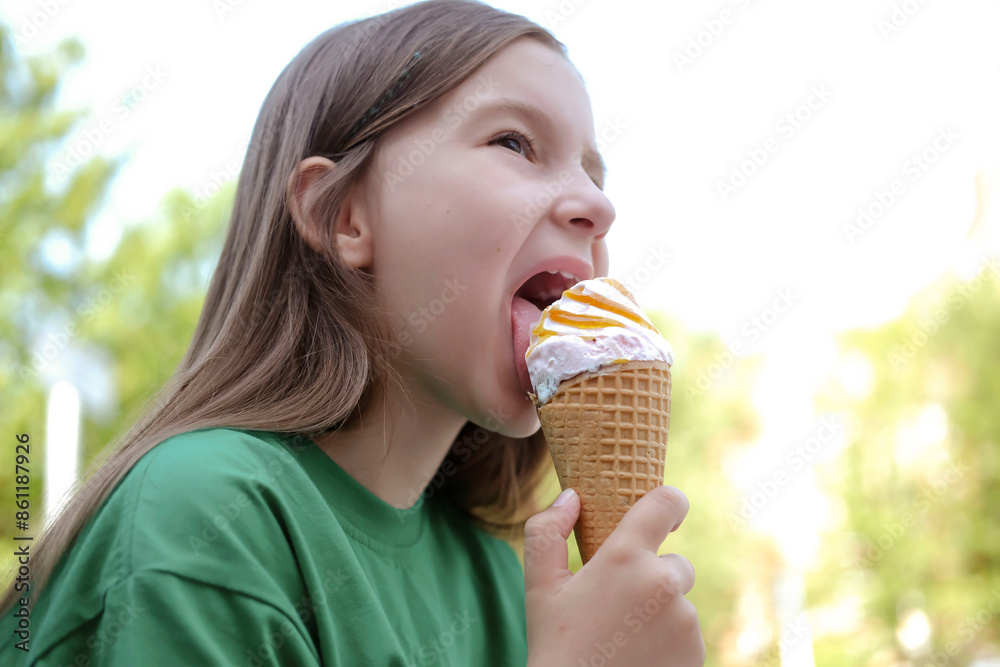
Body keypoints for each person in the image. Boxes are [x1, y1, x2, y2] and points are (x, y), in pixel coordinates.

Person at [0, 0, 705, 664]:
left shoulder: (500, 578)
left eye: (593, 171)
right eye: (515, 142)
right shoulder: (204, 516)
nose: (598, 203)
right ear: (344, 218)